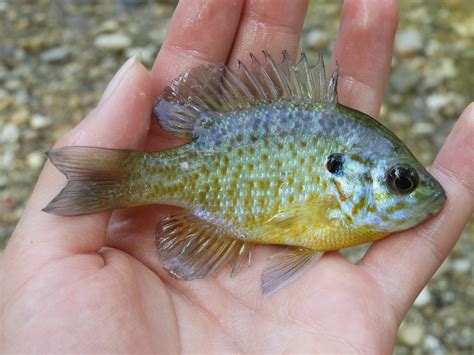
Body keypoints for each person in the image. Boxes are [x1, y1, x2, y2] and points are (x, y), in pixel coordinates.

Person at [1, 0, 472, 352]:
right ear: (349, 175)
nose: (414, 190)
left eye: (403, 181)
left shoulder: (340, 212)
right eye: (401, 181)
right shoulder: (337, 213)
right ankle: (111, 182)